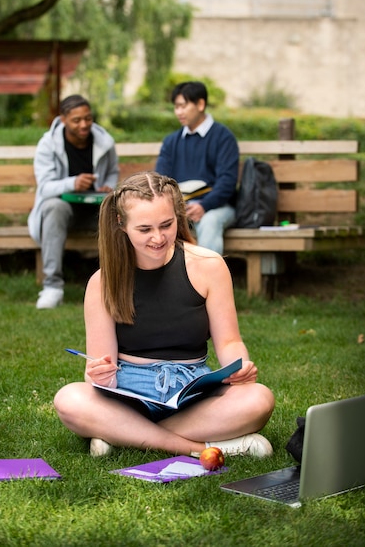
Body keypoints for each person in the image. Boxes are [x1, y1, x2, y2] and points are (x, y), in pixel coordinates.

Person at [54, 171, 275, 458]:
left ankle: (123, 434)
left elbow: (230, 341)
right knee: (69, 399)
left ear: (178, 217)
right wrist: (99, 374)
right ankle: (200, 448)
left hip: (193, 391)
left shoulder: (209, 266)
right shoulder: (101, 282)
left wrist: (241, 366)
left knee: (259, 399)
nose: (158, 238)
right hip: (129, 392)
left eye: (166, 225)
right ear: (121, 224)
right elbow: (101, 371)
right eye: (144, 229)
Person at [28, 94, 119, 309]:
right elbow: (45, 187)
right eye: (77, 120)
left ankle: (115, 284)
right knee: (54, 206)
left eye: (88, 118)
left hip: (95, 209)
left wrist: (107, 186)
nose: (84, 124)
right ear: (63, 120)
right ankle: (52, 287)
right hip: (63, 213)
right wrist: (72, 183)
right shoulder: (48, 145)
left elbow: (113, 172)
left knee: (119, 211)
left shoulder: (105, 142)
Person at [155, 81, 239, 255]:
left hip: (217, 207)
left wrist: (204, 205)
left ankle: (208, 278)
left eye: (183, 106)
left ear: (200, 104)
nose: (178, 112)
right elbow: (160, 181)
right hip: (180, 208)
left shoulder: (223, 138)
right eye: (176, 107)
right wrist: (176, 207)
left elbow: (227, 182)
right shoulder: (171, 142)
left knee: (210, 221)